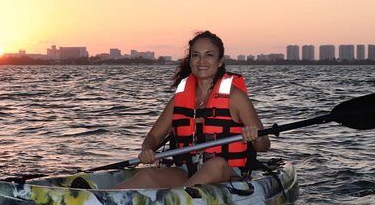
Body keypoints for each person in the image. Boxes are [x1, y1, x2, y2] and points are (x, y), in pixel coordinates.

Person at [114, 30, 271, 189]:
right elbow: (154, 136)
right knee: (149, 175)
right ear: (190, 61)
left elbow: (264, 145)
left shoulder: (236, 97)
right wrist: (147, 149)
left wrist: (256, 137)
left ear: (220, 61)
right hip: (187, 170)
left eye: (209, 55)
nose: (201, 61)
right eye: (196, 55)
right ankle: (105, 199)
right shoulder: (179, 100)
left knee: (215, 165)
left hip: (228, 174)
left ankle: (174, 201)